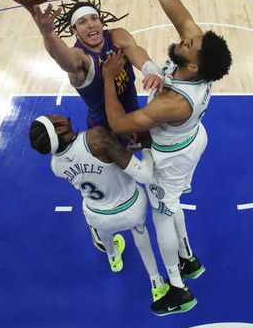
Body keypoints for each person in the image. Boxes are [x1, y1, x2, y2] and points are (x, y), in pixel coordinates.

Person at [100, 0, 233, 316]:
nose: (184, 37)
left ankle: (178, 288)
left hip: (174, 153)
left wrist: (108, 79)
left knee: (161, 212)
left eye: (188, 44)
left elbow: (121, 123)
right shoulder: (196, 53)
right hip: (190, 138)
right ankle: (190, 259)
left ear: (192, 66)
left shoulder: (172, 102)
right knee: (172, 205)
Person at [28, 114, 168, 301]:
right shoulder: (96, 137)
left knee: (103, 230)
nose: (57, 114)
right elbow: (144, 175)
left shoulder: (55, 165)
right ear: (59, 128)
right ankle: (156, 282)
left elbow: (96, 163)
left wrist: (119, 147)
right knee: (140, 231)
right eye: (52, 117)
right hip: (130, 208)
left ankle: (113, 258)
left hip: (98, 215)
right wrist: (147, 149)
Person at [26, 0, 163, 135]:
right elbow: (65, 60)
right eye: (82, 22)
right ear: (75, 31)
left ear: (101, 22)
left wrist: (151, 71)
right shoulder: (81, 56)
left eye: (94, 18)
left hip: (135, 117)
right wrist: (48, 34)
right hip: (106, 133)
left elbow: (136, 52)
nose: (91, 24)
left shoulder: (117, 36)